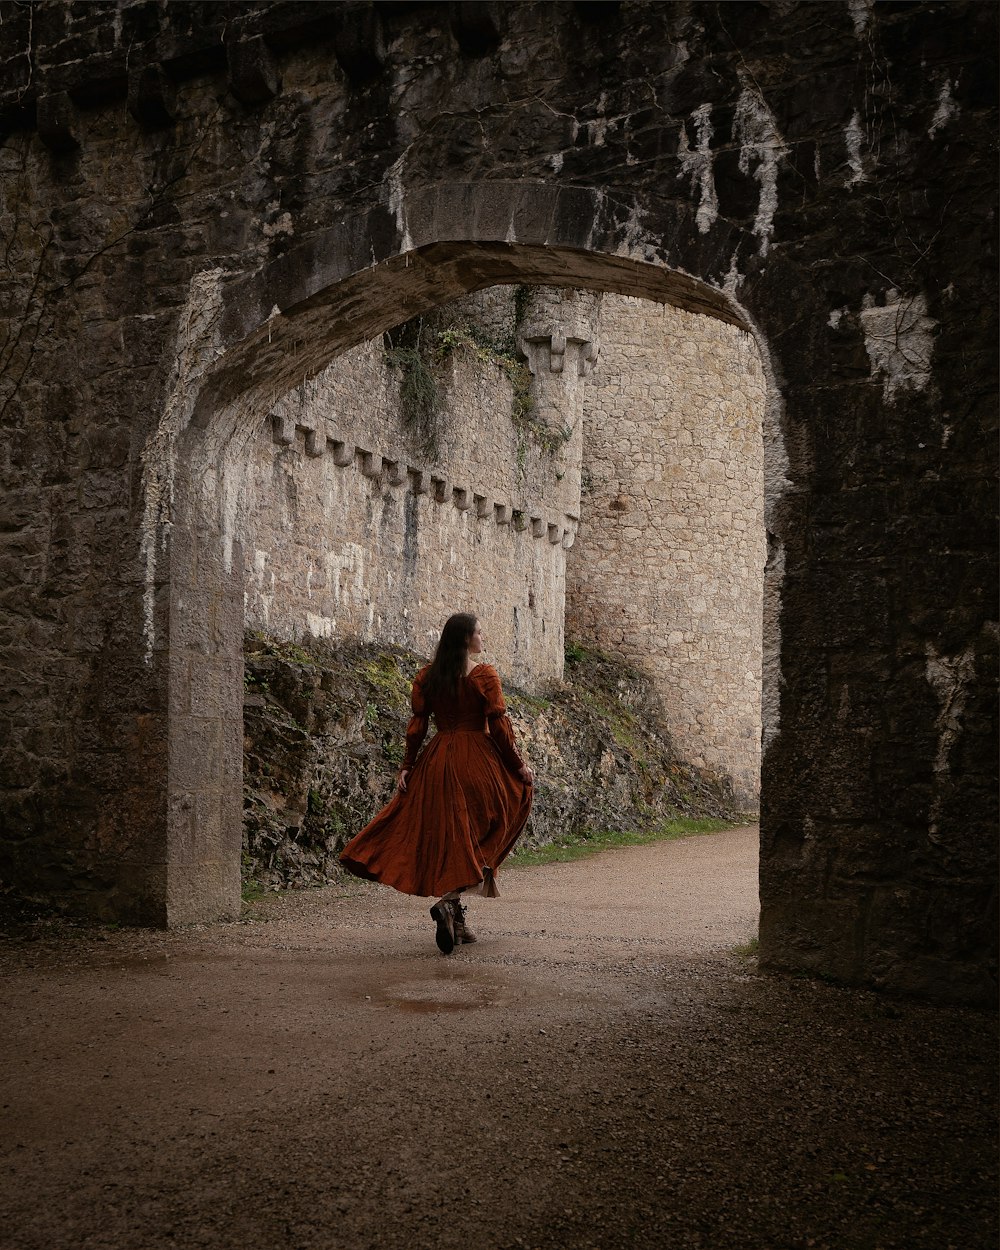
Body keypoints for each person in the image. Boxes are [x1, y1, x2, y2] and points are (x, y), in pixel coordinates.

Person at [339, 613, 534, 954]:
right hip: (476, 760)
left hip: (438, 760)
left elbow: (416, 726)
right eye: (478, 632)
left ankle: (457, 921)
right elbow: (500, 728)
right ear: (464, 640)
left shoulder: (427, 677)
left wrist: (407, 766)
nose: (482, 636)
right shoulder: (484, 675)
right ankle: (450, 904)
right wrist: (518, 767)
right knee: (492, 824)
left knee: (453, 836)